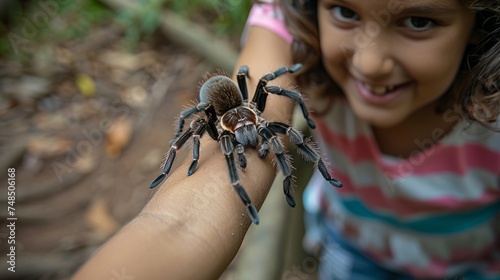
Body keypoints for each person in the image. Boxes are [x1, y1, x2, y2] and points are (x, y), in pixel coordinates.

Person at [73, 0, 500, 279]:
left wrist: (285, 138)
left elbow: (278, 99)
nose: (369, 64)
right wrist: (181, 169)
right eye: (344, 12)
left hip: (473, 264)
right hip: (353, 255)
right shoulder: (229, 106)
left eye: (419, 20)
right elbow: (180, 219)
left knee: (287, 137)